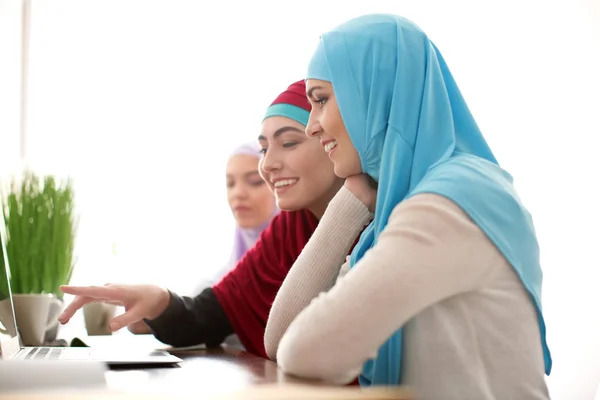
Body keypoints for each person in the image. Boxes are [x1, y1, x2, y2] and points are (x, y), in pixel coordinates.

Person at [263, 14, 551, 399]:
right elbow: (280, 340)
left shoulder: (450, 202)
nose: (313, 126)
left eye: (321, 100)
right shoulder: (401, 204)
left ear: (373, 92)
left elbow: (307, 350)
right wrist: (350, 202)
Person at [58, 80, 349, 359]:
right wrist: (159, 300)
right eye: (264, 149)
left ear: (331, 140)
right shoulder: (286, 231)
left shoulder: (378, 234)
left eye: (288, 143)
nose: (267, 165)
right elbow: (205, 317)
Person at [127, 141, 278, 346]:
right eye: (230, 184)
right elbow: (200, 314)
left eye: (254, 181)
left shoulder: (297, 259)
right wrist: (156, 315)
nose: (238, 193)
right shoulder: (225, 275)